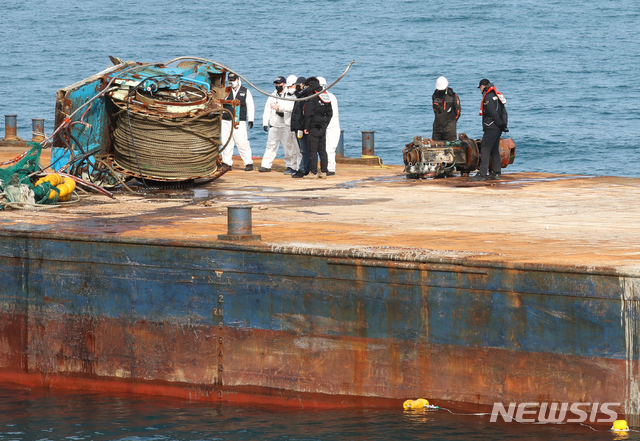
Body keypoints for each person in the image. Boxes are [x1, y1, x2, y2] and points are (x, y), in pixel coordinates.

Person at [470, 78, 509, 182]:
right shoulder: (498, 95)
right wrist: (503, 125)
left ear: (483, 86)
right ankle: (496, 172)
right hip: (498, 127)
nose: (480, 90)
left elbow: (493, 113)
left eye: (480, 88)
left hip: (491, 127)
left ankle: (482, 174)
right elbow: (504, 111)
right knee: (494, 149)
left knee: (485, 148)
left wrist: (500, 124)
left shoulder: (488, 97)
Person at [259, 76, 294, 172]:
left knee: (288, 147)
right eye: (276, 84)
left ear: (284, 84)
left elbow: (291, 108)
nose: (277, 85)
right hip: (274, 125)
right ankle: (266, 165)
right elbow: (267, 110)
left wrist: (281, 109)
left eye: (279, 84)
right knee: (270, 146)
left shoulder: (289, 96)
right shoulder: (272, 96)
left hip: (285, 125)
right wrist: (265, 123)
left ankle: (290, 165)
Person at [220, 73, 255, 171]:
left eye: (233, 80)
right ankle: (227, 163)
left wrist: (251, 119)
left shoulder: (245, 91)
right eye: (230, 80)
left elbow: (250, 106)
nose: (232, 82)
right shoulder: (225, 91)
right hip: (226, 120)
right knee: (226, 142)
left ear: (238, 80)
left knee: (242, 142)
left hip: (239, 121)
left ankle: (248, 163)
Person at [303, 77, 332, 179]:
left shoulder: (312, 97)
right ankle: (324, 171)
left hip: (313, 127)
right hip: (322, 127)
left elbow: (308, 114)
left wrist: (306, 127)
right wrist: (325, 124)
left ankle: (313, 172)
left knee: (312, 150)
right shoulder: (325, 96)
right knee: (322, 150)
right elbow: (330, 113)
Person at [318, 77, 340, 176]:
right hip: (329, 125)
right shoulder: (332, 96)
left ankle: (330, 168)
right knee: (327, 149)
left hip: (330, 126)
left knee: (329, 149)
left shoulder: (326, 97)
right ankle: (327, 167)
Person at [290, 77, 310, 178]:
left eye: (297, 84)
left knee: (304, 150)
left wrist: (302, 127)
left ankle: (303, 169)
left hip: (301, 127)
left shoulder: (304, 97)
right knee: (303, 149)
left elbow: (303, 114)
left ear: (301, 85)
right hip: (298, 126)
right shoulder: (299, 96)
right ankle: (305, 168)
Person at [431, 76, 460, 142]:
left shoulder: (453, 96)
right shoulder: (435, 96)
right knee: (435, 147)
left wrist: (452, 122)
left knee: (450, 148)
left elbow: (458, 111)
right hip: (437, 127)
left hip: (449, 128)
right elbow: (435, 110)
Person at [283, 75, 302, 175]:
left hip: (295, 125)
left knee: (297, 147)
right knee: (290, 146)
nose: (289, 88)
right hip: (287, 124)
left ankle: (299, 166)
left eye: (291, 86)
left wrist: (280, 107)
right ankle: (292, 166)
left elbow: (292, 108)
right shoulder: (287, 94)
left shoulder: (298, 95)